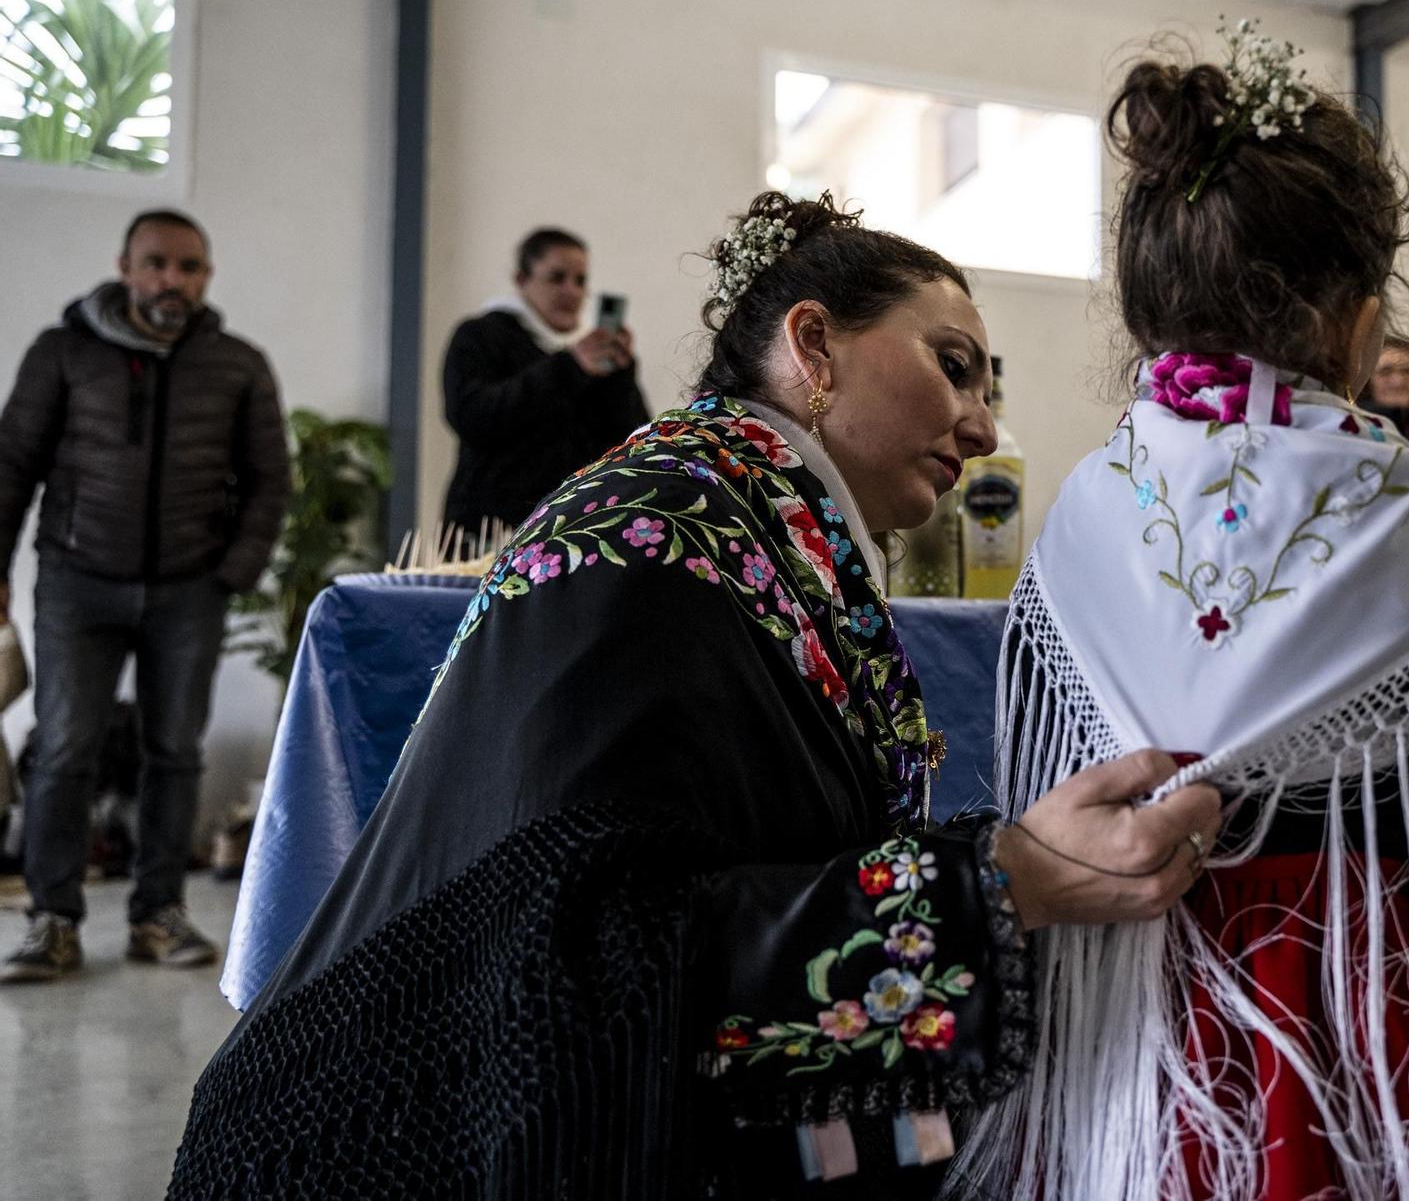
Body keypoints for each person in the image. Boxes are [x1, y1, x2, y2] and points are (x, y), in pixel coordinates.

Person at [168, 192, 1223, 1199]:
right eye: (953, 368)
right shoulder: (662, 529)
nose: (981, 425)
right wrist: (1003, 880)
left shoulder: (740, 522)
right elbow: (584, 966)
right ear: (813, 346)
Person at [956, 26, 1409, 1201]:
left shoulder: (1091, 499)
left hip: (1134, 984)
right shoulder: (1377, 495)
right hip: (1350, 991)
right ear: (1360, 325)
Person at [0, 210, 290, 983]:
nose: (173, 280)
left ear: (207, 276)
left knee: (175, 753)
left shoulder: (237, 364)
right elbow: (12, 465)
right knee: (64, 748)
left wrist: (232, 572)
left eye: (190, 267)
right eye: (157, 263)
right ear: (125, 266)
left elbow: (270, 481)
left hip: (189, 589)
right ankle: (52, 920)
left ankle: (158, 913)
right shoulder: (62, 353)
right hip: (75, 581)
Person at [440, 228, 651, 535]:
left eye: (581, 281)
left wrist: (620, 375)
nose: (572, 291)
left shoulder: (589, 355)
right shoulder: (481, 335)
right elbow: (471, 414)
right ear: (521, 279)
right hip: (488, 530)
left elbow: (633, 445)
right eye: (557, 277)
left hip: (571, 530)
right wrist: (568, 366)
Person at [1359, 337, 1409, 452]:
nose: (1398, 381)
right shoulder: (1355, 430)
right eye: (1385, 372)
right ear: (1367, 381)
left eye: (1407, 371)